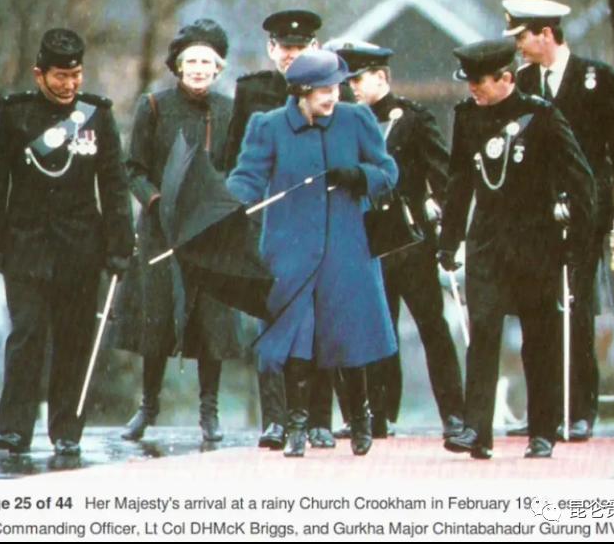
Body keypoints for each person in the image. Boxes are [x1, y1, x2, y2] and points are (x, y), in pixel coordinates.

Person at [226, 48, 399, 457]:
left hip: (347, 247)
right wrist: (226, 208)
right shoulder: (268, 126)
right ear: (301, 91)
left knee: (349, 339)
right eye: (323, 89)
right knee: (294, 340)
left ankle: (360, 421)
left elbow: (388, 171)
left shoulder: (356, 119)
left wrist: (361, 176)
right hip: (290, 249)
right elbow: (247, 177)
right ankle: (297, 427)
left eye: (336, 87)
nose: (333, 96)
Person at [0, 28, 134, 456]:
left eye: (76, 75)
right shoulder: (15, 115)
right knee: (26, 336)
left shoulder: (96, 116)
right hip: (24, 247)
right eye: (60, 76)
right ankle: (13, 430)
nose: (70, 85)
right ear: (39, 74)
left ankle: (66, 430)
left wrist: (121, 245)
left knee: (74, 339)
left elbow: (115, 185)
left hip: (81, 248)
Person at [439, 39, 595, 459]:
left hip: (535, 242)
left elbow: (580, 178)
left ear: (506, 78)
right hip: (487, 242)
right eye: (468, 80)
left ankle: (542, 430)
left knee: (538, 338)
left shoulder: (540, 115)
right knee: (483, 332)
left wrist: (580, 241)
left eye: (480, 81)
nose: (472, 88)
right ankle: (476, 430)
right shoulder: (467, 117)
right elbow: (458, 183)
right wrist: (449, 239)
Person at [502, 0, 614, 441]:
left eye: (523, 36)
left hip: (585, 208)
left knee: (575, 304)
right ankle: (543, 412)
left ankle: (579, 409)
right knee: (536, 310)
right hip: (534, 213)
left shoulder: (594, 79)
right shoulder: (522, 83)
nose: (519, 47)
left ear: (546, 33)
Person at [115, 19, 243, 443]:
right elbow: (132, 169)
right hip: (160, 230)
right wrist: (155, 200)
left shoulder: (230, 110)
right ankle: (147, 407)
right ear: (178, 65)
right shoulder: (153, 107)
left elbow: (238, 167)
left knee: (210, 317)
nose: (200, 68)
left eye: (208, 61)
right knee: (158, 317)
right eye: (192, 61)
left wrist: (220, 200)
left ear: (219, 68)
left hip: (210, 230)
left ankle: (210, 412)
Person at [336, 42, 465, 440]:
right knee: (377, 328)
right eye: (349, 80)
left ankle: (454, 415)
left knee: (432, 327)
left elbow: (442, 176)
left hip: (410, 240)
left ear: (382, 77)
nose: (353, 87)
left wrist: (449, 234)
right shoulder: (345, 123)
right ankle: (379, 414)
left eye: (359, 79)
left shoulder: (411, 119)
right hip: (367, 241)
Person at [222, 9, 338, 450]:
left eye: (301, 47)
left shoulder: (330, 91)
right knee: (274, 321)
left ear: (316, 48)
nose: (292, 55)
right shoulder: (253, 91)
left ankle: (318, 419)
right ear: (272, 50)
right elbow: (238, 159)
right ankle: (274, 418)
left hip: (317, 219)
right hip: (269, 222)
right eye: (285, 48)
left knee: (319, 319)